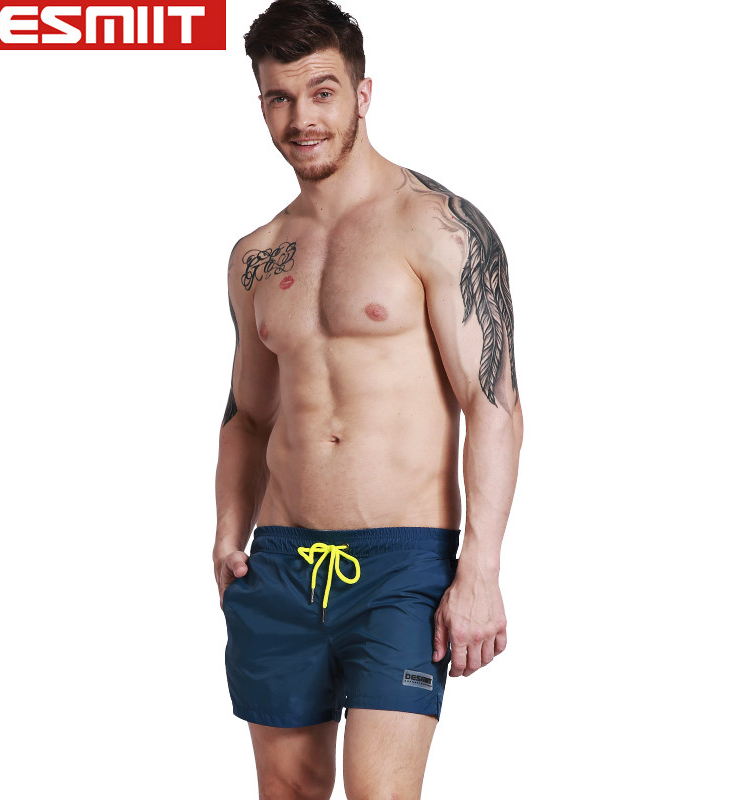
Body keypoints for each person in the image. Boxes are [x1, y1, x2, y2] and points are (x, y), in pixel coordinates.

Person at [213, 1, 523, 797]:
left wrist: (481, 568)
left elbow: (493, 403)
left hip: (401, 567)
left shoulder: (439, 227)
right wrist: (226, 535)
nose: (302, 119)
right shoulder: (256, 256)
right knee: (288, 793)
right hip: (280, 562)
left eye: (322, 92)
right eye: (279, 98)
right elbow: (248, 416)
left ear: (362, 94)